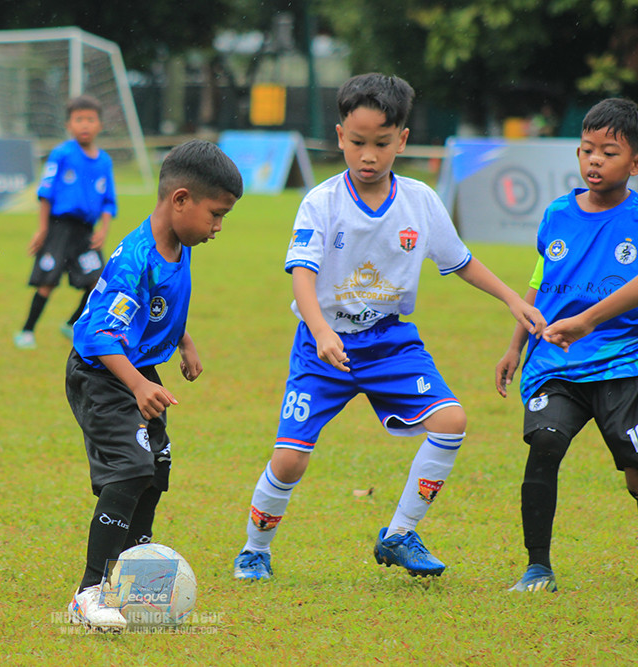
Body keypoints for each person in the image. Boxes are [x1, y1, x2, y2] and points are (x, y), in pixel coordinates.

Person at [232, 73, 546, 582]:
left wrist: (512, 299)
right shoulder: (321, 202)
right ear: (340, 137)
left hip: (389, 343)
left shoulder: (420, 200)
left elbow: (461, 261)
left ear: (402, 139)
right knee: (289, 461)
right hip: (322, 348)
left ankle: (399, 534)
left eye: (381, 143)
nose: (368, 156)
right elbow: (302, 275)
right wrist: (322, 330)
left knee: (451, 421)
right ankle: (254, 550)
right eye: (357, 142)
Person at [65, 139, 242, 631]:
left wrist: (184, 341)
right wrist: (139, 386)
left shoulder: (179, 243)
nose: (218, 227)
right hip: (103, 374)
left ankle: (131, 573)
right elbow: (98, 334)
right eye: (216, 214)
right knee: (130, 469)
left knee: (156, 467)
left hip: (136, 369)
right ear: (180, 200)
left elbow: (160, 306)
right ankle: (88, 593)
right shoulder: (135, 259)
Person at [495, 97, 638, 593]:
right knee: (546, 442)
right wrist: (515, 345)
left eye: (609, 153)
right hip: (555, 362)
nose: (595, 160)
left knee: (634, 465)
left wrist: (586, 321)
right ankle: (538, 567)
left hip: (623, 360)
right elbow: (540, 280)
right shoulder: (557, 213)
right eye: (587, 150)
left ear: (634, 163)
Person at [14, 94, 116, 350]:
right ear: (68, 125)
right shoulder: (62, 154)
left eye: (90, 119)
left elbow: (108, 200)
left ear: (100, 125)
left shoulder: (104, 161)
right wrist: (42, 229)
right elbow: (45, 192)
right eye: (78, 119)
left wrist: (103, 230)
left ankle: (71, 324)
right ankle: (27, 331)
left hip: (85, 232)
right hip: (59, 228)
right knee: (47, 282)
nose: (85, 125)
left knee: (98, 282)